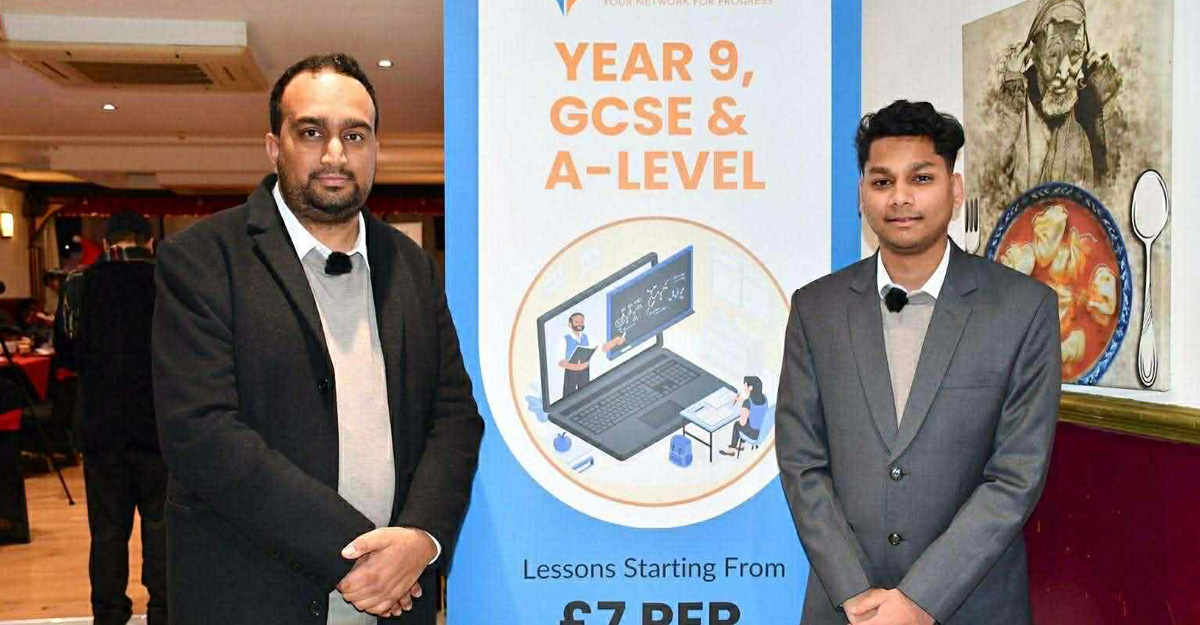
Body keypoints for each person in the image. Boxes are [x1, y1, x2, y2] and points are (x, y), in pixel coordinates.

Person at [152, 54, 483, 624]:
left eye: (355, 135)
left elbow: (454, 416)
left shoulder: (412, 266)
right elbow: (201, 434)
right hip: (253, 598)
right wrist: (360, 554)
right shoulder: (202, 259)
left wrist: (420, 540)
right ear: (273, 146)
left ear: (375, 148)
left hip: (394, 597)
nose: (335, 154)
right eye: (311, 132)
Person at [775, 100, 1060, 625]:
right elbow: (801, 462)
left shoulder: (1023, 309)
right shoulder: (816, 309)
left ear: (955, 189)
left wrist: (919, 600)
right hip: (848, 608)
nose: (900, 197)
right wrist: (856, 593)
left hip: (974, 606)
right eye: (882, 181)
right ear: (862, 194)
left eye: (921, 178)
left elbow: (1015, 477)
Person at [61, 211, 166, 625]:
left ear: (105, 243)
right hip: (159, 425)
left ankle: (108, 612)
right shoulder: (169, 280)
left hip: (101, 425)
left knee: (106, 530)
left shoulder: (79, 283)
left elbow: (66, 354)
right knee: (161, 526)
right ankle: (163, 610)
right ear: (149, 242)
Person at [997, 0, 1120, 190]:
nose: (1064, 72)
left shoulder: (1090, 102)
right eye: (1053, 54)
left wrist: (1101, 94)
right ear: (1035, 55)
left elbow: (1111, 183)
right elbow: (995, 178)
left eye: (1075, 53)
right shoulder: (1016, 102)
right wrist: (1011, 90)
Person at [557, 312, 624, 398]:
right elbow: (561, 362)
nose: (579, 324)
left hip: (585, 369)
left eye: (581, 321)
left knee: (586, 394)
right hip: (571, 370)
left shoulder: (587, 337)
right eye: (576, 322)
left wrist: (615, 341)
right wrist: (576, 367)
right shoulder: (564, 339)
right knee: (568, 395)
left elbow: (602, 348)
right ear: (570, 324)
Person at [718, 376, 767, 457]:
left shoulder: (748, 402)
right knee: (748, 420)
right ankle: (741, 445)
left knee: (737, 425)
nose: (744, 389)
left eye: (745, 386)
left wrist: (743, 407)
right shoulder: (764, 397)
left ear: (750, 388)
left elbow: (742, 423)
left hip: (754, 434)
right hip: (761, 430)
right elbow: (755, 410)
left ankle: (732, 450)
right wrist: (744, 402)